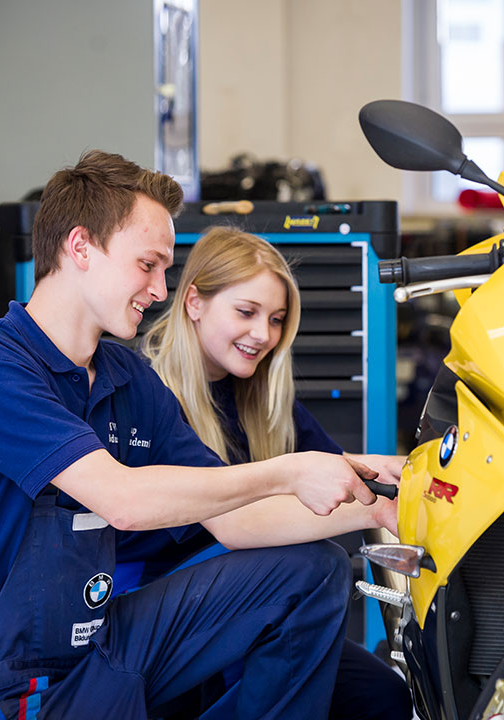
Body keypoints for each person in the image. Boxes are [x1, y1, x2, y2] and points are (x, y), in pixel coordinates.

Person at [0, 150, 401, 720]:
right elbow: (125, 502)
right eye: (148, 265)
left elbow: (234, 517)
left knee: (312, 571)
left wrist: (380, 501)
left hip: (94, 650)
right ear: (81, 246)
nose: (161, 290)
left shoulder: (128, 377)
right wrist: (292, 468)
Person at [143, 226, 412, 720]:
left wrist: (409, 471)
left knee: (383, 695)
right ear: (194, 302)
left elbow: (338, 471)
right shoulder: (151, 398)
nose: (263, 334)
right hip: (172, 616)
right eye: (246, 312)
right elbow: (237, 524)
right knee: (319, 564)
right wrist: (380, 507)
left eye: (276, 319)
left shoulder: (262, 402)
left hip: (258, 604)